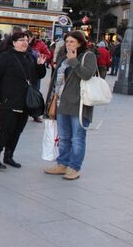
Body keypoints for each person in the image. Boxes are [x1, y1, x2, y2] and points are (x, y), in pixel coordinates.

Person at [0, 31, 47, 169]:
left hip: (25, 101)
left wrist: (40, 65)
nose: (25, 42)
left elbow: (38, 76)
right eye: (21, 40)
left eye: (26, 40)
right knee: (6, 129)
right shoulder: (5, 57)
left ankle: (9, 156)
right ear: (14, 42)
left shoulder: (30, 57)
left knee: (17, 130)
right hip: (8, 100)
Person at [44, 31, 96, 180]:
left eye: (72, 42)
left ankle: (74, 167)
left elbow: (87, 75)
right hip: (61, 103)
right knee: (64, 137)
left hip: (79, 105)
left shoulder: (88, 56)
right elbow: (56, 80)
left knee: (77, 138)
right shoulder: (63, 57)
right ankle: (62, 164)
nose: (68, 44)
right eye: (67, 41)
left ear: (80, 43)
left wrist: (73, 60)